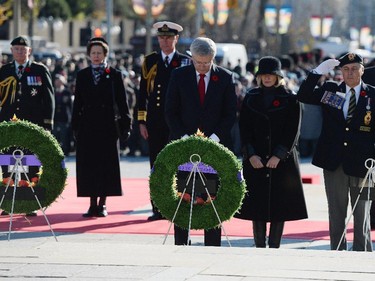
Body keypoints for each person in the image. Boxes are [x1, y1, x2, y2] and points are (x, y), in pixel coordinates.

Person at [297, 53, 374, 251]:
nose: (350, 73)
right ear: (340, 71)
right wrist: (316, 73)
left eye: (355, 69)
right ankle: (337, 251)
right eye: (346, 69)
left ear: (362, 70)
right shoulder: (330, 90)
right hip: (334, 161)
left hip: (364, 163)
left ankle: (361, 251)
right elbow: (303, 95)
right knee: (337, 211)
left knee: (362, 212)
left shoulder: (372, 95)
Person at [165, 37, 237, 246]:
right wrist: (185, 138)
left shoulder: (224, 77)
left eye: (207, 63)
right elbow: (171, 111)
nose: (203, 67)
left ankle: (212, 243)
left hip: (214, 146)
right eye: (199, 63)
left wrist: (213, 139)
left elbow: (229, 113)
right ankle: (181, 241)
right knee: (183, 193)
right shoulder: (179, 76)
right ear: (192, 58)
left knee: (211, 195)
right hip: (183, 144)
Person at [236, 56, 308, 248]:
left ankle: (274, 245)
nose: (267, 78)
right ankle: (259, 244)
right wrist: (250, 154)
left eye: (271, 75)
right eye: (264, 75)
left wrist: (279, 154)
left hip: (281, 161)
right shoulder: (250, 97)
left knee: (279, 205)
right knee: (257, 203)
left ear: (278, 76)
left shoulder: (291, 98)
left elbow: (294, 130)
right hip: (256, 159)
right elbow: (244, 129)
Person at [71, 37, 131, 218]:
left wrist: (126, 125)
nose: (96, 56)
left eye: (99, 53)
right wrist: (75, 126)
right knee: (89, 165)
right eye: (93, 53)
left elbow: (123, 102)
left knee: (105, 165)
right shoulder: (82, 75)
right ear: (89, 55)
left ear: (105, 54)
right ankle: (91, 204)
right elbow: (78, 103)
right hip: (88, 125)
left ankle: (103, 203)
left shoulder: (114, 75)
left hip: (107, 125)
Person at [137, 21, 190, 221]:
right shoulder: (149, 61)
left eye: (169, 37)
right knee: (156, 164)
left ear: (176, 39)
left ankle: (177, 203)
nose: (165, 41)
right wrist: (141, 122)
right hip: (155, 120)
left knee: (177, 163)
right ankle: (157, 206)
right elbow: (143, 94)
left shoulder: (185, 61)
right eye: (162, 37)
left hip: (177, 121)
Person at [0, 35, 55, 217]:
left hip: (32, 126)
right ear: (11, 50)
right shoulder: (5, 71)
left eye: (23, 50)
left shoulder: (39, 70)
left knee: (30, 165)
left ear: (29, 51)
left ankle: (29, 203)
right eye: (16, 49)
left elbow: (49, 99)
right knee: (7, 165)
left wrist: (47, 124)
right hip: (9, 126)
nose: (20, 52)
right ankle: (8, 203)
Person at [52, 74, 73, 156]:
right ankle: (55, 151)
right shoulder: (53, 92)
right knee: (55, 135)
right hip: (55, 117)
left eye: (59, 81)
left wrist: (70, 117)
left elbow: (70, 106)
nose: (57, 83)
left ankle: (65, 151)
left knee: (64, 136)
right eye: (56, 81)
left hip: (64, 117)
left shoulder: (67, 92)